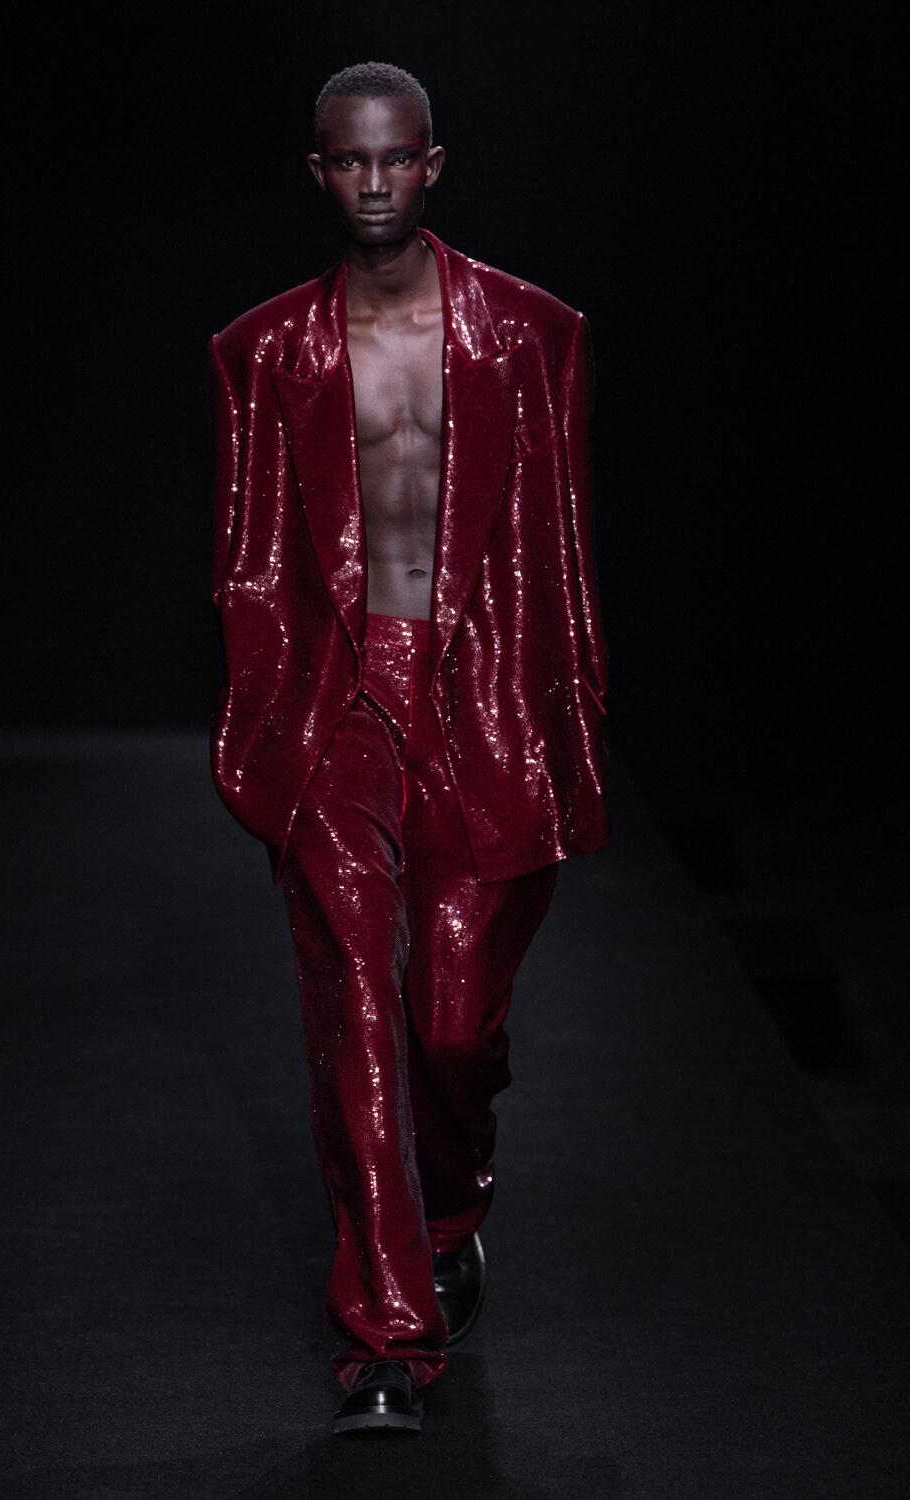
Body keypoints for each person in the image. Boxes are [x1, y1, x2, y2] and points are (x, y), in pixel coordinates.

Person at [208, 62, 607, 1435]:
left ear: (431, 165)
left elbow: (562, 546)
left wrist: (569, 717)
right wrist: (267, 730)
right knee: (359, 1016)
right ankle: (387, 1338)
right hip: (336, 704)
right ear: (318, 172)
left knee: (452, 1021)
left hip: (481, 689)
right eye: (348, 160)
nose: (372, 182)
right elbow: (249, 559)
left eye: (394, 159)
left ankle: (448, 1213)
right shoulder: (262, 351)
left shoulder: (532, 335)